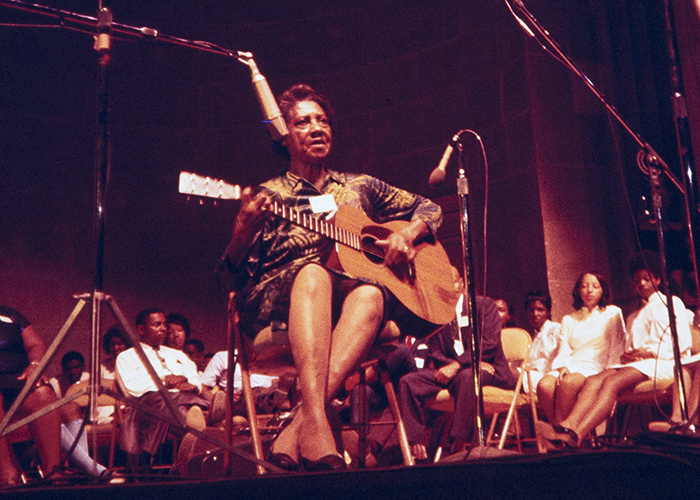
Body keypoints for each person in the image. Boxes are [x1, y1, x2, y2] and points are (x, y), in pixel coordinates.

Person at [216, 83, 443, 472]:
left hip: (350, 300)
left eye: (322, 121)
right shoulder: (269, 195)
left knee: (371, 295)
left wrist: (406, 234)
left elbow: (430, 207)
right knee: (313, 274)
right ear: (285, 136)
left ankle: (299, 427)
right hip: (280, 306)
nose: (317, 128)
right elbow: (229, 280)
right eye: (303, 122)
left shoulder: (360, 186)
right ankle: (318, 423)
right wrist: (242, 229)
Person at [538, 251, 693, 448]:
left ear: (658, 278)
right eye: (637, 280)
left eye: (647, 279)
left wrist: (650, 353)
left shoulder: (672, 303)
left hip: (665, 362)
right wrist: (629, 355)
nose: (642, 284)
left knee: (611, 382)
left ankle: (575, 433)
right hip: (640, 365)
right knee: (595, 379)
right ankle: (566, 426)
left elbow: (683, 342)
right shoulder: (634, 316)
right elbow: (630, 347)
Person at [398, 277, 517, 460]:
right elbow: (434, 351)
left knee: (469, 376)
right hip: (454, 373)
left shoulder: (483, 305)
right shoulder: (440, 312)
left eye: (452, 281)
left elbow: (489, 343)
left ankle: (458, 443)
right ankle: (416, 442)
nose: (447, 286)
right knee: (408, 381)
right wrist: (454, 367)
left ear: (461, 283)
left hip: (489, 369)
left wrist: (460, 364)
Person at [115, 308, 210, 460]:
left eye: (164, 324)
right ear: (141, 329)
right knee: (165, 402)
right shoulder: (127, 356)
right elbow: (132, 387)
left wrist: (187, 382)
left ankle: (194, 422)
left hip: (181, 399)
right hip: (149, 404)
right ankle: (207, 416)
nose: (163, 329)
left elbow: (194, 376)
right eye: (157, 325)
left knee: (179, 406)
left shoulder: (177, 354)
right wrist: (165, 382)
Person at [536, 272, 625, 425]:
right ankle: (561, 431)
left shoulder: (612, 313)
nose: (589, 290)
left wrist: (611, 371)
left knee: (569, 383)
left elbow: (617, 344)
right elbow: (564, 347)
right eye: (584, 286)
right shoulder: (569, 319)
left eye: (595, 286)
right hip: (571, 364)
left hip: (597, 366)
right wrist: (563, 366)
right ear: (578, 290)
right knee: (544, 385)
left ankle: (562, 437)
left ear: (602, 290)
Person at [0, 305, 61, 486]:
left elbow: (36, 344)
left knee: (44, 394)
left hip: (17, 377)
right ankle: (6, 474)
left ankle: (54, 472)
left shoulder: (9, 314)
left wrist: (35, 364)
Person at [522, 290, 562, 395]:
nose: (535, 314)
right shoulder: (531, 338)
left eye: (540, 310)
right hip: (529, 376)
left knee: (505, 374)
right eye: (531, 310)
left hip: (546, 378)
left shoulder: (557, 329)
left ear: (548, 312)